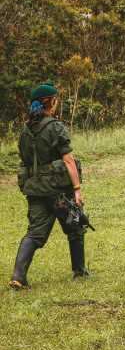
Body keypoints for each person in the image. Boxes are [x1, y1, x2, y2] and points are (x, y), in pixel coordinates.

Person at [10, 83, 89, 290]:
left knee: (35, 233)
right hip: (58, 191)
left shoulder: (25, 131)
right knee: (75, 226)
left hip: (35, 190)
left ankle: (18, 276)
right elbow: (68, 160)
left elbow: (26, 160)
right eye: (56, 100)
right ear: (51, 102)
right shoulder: (56, 127)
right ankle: (79, 271)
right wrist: (77, 189)